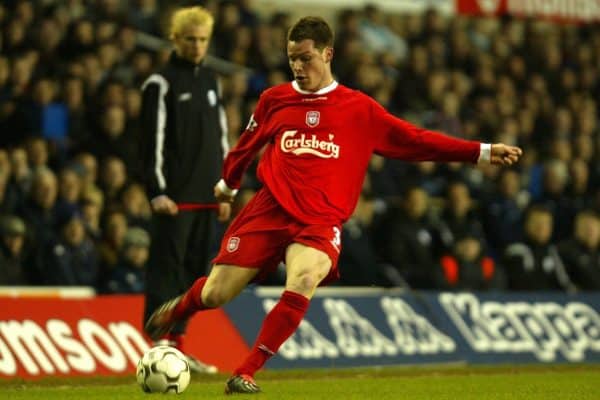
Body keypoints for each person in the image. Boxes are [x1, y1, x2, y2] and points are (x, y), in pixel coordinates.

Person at [144, 16, 522, 394]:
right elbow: (246, 146)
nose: (297, 66)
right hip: (269, 209)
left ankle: (245, 371)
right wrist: (228, 183)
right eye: (292, 58)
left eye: (306, 58)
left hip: (320, 222)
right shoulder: (274, 100)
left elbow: (416, 140)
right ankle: (180, 308)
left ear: (328, 54)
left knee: (305, 278)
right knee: (215, 294)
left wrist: (483, 152)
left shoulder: (359, 109)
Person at [139, 6, 230, 374]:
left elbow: (222, 137)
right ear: (175, 39)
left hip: (208, 197)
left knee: (195, 276)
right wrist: (157, 190)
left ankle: (179, 348)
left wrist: (225, 188)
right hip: (174, 198)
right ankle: (158, 348)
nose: (196, 46)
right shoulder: (160, 83)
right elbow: (152, 141)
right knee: (167, 269)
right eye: (190, 39)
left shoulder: (211, 80)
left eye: (202, 39)